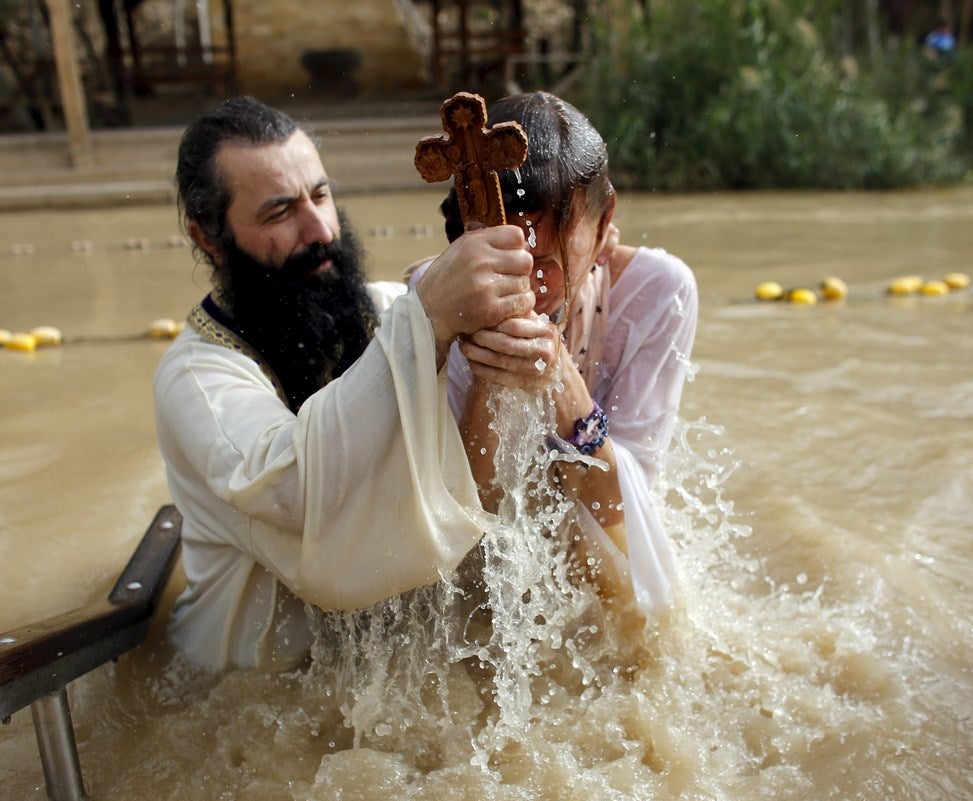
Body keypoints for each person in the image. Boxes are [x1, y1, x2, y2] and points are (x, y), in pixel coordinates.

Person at [154, 97, 536, 670]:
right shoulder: (197, 378)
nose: (320, 229)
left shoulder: (388, 310)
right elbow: (298, 495)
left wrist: (514, 358)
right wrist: (428, 319)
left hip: (378, 671)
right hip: (243, 690)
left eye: (321, 195)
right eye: (279, 212)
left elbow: (474, 481)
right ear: (209, 237)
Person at [410, 91, 698, 618]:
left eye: (548, 258)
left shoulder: (660, 291)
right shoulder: (432, 302)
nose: (531, 284)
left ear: (605, 220)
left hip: (595, 541)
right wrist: (489, 382)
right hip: (488, 564)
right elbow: (455, 521)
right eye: (506, 260)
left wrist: (567, 388)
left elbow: (625, 511)